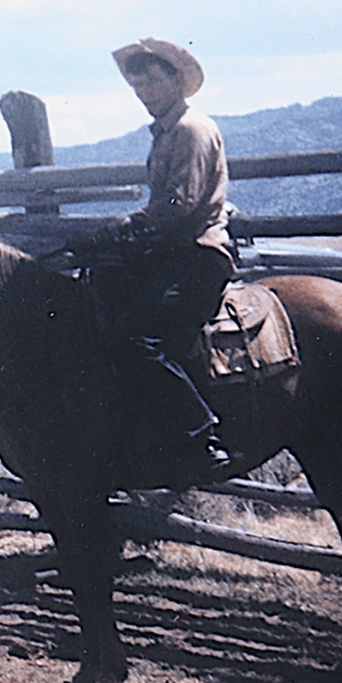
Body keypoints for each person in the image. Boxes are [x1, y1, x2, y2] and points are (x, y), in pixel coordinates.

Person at [71, 37, 240, 486]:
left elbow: (179, 205)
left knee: (133, 337)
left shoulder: (190, 129)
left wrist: (126, 227)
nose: (143, 88)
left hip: (198, 255)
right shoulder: (168, 130)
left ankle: (204, 436)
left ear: (175, 80)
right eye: (137, 81)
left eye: (151, 79)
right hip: (173, 253)